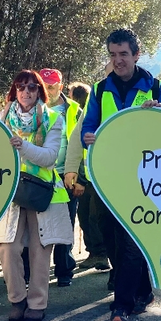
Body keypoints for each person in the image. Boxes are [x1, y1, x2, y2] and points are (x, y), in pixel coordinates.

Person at [81, 28, 161, 321]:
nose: (117, 60)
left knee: (132, 240)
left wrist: (157, 115)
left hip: (143, 179)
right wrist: (87, 137)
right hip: (106, 178)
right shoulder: (99, 89)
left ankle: (121, 306)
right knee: (113, 240)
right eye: (112, 54)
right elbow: (88, 127)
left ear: (136, 54)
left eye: (123, 54)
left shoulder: (155, 87)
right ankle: (143, 291)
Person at [0, 69, 73, 321]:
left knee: (40, 249)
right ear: (14, 91)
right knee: (7, 247)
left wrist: (22, 146)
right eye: (21, 86)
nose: (26, 91)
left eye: (32, 87)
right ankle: (17, 300)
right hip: (11, 191)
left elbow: (49, 157)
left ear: (39, 91)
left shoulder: (53, 118)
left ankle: (37, 303)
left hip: (42, 192)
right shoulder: (1, 118)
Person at [40, 68, 82, 287]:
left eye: (51, 86)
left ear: (60, 86)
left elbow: (82, 144)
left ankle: (64, 271)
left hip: (66, 175)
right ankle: (31, 272)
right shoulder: (31, 109)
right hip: (39, 176)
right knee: (36, 227)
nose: (48, 90)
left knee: (66, 224)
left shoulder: (74, 110)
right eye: (44, 86)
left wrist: (78, 176)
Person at [64, 83, 110, 273]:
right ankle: (96, 254)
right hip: (86, 174)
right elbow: (77, 140)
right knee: (85, 216)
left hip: (96, 175)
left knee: (94, 218)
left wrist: (80, 180)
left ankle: (102, 255)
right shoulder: (85, 112)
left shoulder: (80, 110)